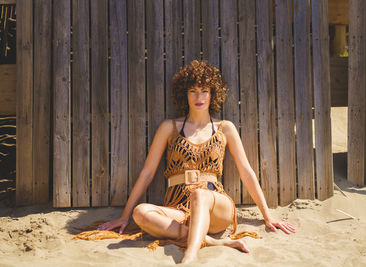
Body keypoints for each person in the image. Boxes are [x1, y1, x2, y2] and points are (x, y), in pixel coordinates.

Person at [97, 60, 295, 264]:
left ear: (213, 94)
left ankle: (189, 257)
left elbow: (246, 172)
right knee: (141, 213)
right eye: (193, 91)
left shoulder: (225, 128)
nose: (199, 97)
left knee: (200, 194)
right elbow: (147, 173)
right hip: (177, 207)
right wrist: (124, 216)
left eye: (204, 91)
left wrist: (267, 216)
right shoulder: (169, 127)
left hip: (216, 205)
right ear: (185, 94)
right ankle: (213, 241)